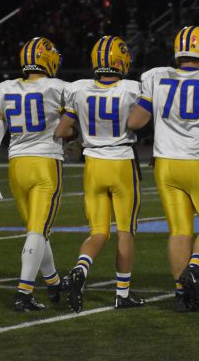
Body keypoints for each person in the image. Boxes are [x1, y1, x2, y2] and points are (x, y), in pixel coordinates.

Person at [127, 26, 199, 312]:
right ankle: (194, 270)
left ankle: (182, 294)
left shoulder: (157, 77)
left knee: (179, 230)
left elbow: (135, 122)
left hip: (165, 164)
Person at [54, 36, 145, 313]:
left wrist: (78, 134)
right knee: (125, 232)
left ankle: (80, 270)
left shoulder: (79, 89)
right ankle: (122, 293)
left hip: (92, 164)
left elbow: (61, 130)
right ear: (121, 61)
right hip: (121, 163)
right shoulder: (132, 89)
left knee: (98, 232)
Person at [0, 37, 69, 312]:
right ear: (48, 60)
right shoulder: (59, 88)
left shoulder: (5, 89)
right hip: (45, 163)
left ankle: (53, 282)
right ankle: (24, 292)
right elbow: (70, 128)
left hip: (16, 166)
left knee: (37, 230)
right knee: (38, 231)